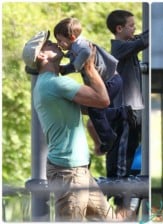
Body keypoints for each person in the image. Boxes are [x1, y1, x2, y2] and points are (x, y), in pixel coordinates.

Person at [22, 30, 133, 221]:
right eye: (48, 44)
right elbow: (102, 99)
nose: (55, 44)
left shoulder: (49, 84)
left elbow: (89, 107)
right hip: (69, 173)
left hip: (76, 170)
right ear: (41, 55)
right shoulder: (57, 84)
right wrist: (89, 67)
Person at [54, 17, 132, 155]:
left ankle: (108, 137)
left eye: (60, 40)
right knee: (94, 110)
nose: (58, 43)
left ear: (72, 37)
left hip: (110, 80)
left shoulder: (80, 45)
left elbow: (86, 54)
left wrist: (75, 65)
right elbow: (75, 63)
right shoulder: (74, 46)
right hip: (110, 80)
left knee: (95, 109)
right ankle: (121, 114)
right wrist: (66, 69)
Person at [105, 9, 149, 211]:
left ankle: (126, 186)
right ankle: (119, 185)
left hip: (134, 108)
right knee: (122, 149)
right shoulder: (119, 48)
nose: (134, 28)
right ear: (119, 29)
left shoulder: (127, 45)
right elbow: (141, 41)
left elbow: (140, 38)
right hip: (124, 109)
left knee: (131, 146)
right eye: (131, 25)